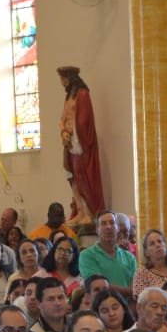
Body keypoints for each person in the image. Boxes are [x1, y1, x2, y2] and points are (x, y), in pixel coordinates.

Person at [58, 65, 105, 220]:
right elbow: (63, 117)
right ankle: (80, 210)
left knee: (83, 176)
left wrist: (72, 133)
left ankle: (90, 211)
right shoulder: (69, 96)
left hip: (80, 143)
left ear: (70, 78)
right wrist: (63, 131)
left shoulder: (83, 94)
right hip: (70, 143)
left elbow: (84, 120)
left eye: (63, 79)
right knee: (74, 177)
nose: (62, 82)